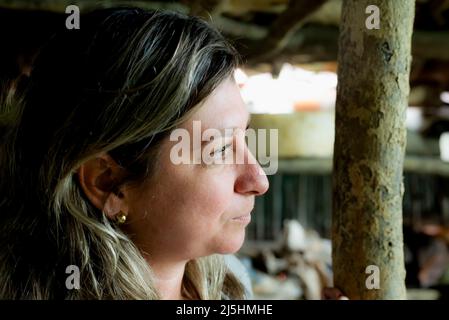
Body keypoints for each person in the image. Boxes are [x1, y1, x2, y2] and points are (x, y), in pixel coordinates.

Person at [0, 7, 269, 299]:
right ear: (108, 182)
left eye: (244, 138)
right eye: (219, 151)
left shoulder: (229, 285)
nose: (259, 180)